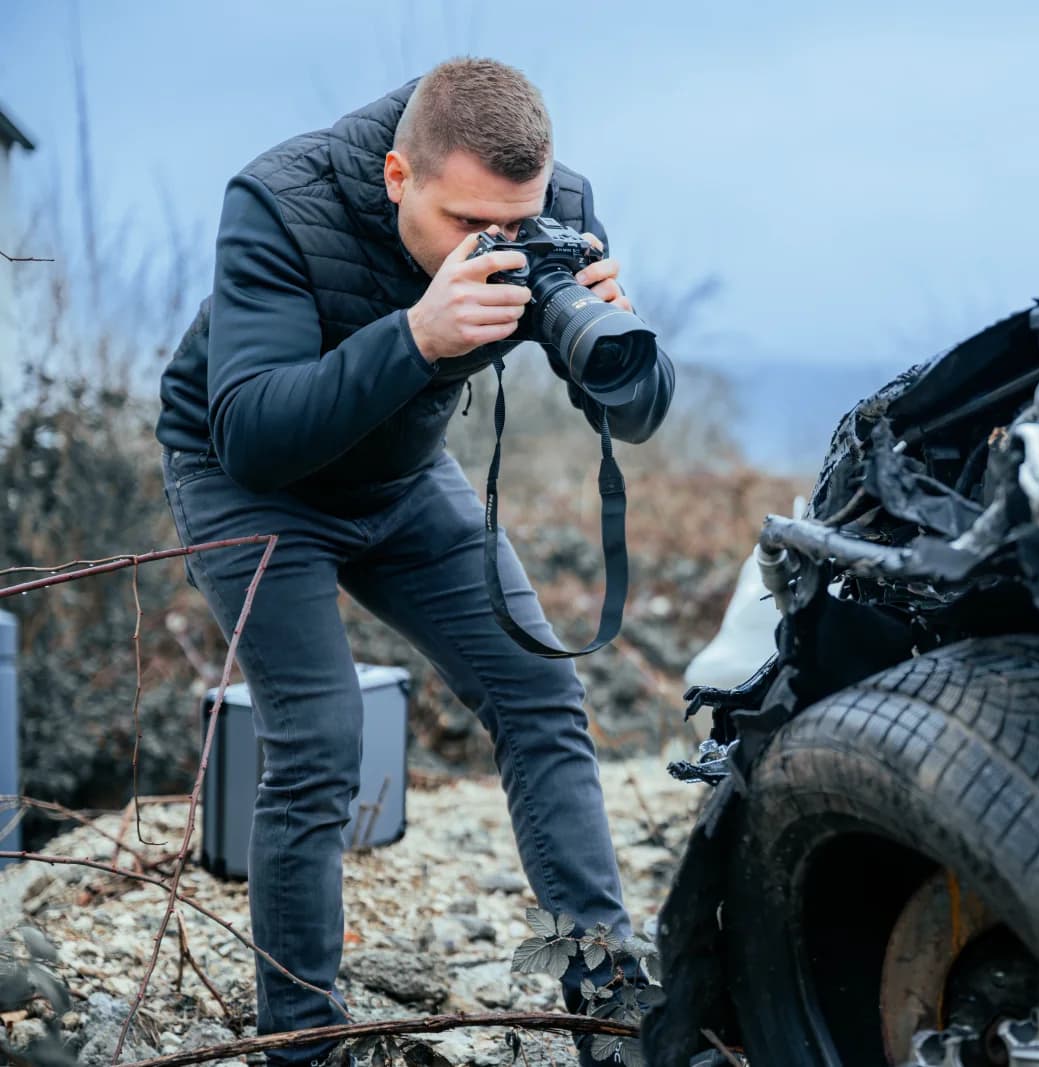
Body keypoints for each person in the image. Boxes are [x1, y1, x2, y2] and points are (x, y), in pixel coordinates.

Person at [154, 57, 673, 1066]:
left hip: (397, 475)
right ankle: (303, 1040)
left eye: (517, 225)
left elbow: (636, 418)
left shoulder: (548, 207)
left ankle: (607, 992)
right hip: (249, 482)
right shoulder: (277, 201)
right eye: (470, 225)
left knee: (540, 687)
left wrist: (617, 333)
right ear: (398, 176)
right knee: (320, 737)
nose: (500, 245)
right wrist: (417, 337)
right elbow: (250, 433)